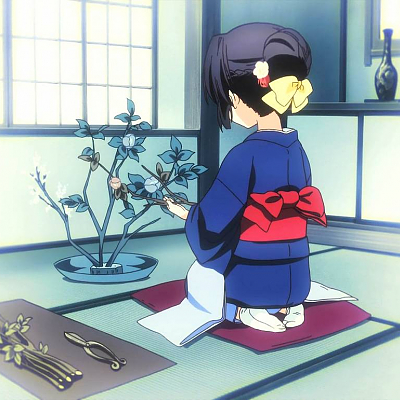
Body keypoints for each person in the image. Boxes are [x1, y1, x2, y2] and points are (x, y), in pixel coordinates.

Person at [138, 23, 329, 346]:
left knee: (203, 272)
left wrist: (188, 214)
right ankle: (289, 305)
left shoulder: (245, 155)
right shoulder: (298, 150)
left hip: (253, 280)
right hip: (297, 276)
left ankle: (242, 310)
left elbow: (215, 221)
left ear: (240, 97)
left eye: (229, 96)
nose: (227, 103)